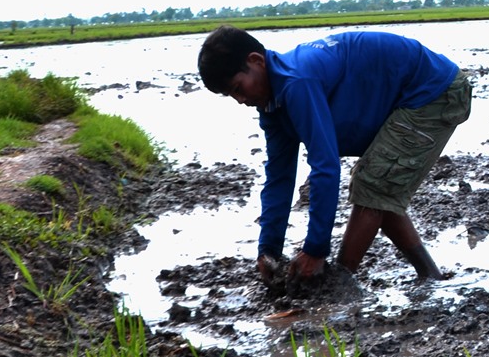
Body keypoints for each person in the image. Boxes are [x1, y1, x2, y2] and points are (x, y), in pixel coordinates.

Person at [197, 27, 471, 287]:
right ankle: (430, 275)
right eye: (230, 96)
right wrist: (268, 250)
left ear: (256, 61)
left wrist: (315, 251)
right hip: (403, 95)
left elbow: (326, 167)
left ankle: (339, 283)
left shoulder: (296, 82)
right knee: (379, 187)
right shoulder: (273, 104)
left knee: (372, 184)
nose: (240, 100)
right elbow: (279, 177)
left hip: (433, 93)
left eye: (238, 88)